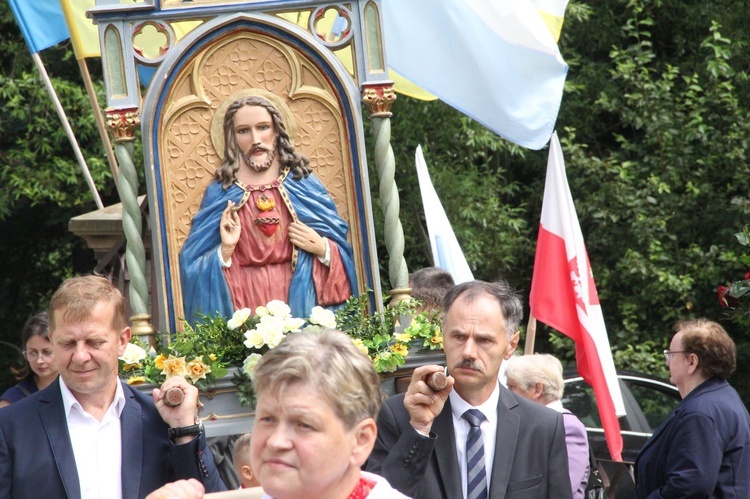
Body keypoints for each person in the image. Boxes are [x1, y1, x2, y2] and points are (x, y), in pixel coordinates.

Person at [0, 275, 227, 498]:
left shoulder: (159, 420)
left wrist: (184, 431)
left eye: (94, 342)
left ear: (122, 341)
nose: (80, 356)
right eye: (67, 343)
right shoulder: (11, 427)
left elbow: (211, 496)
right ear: (52, 339)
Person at [366, 279, 572, 499]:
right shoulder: (399, 416)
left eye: (484, 340)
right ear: (443, 336)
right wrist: (419, 430)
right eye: (458, 336)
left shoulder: (543, 426)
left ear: (510, 345)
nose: (468, 352)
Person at [180, 94, 357, 323]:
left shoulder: (303, 184)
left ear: (277, 131)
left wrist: (322, 248)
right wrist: (224, 250)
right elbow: (192, 265)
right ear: (231, 138)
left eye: (263, 127)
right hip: (243, 300)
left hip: (301, 297)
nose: (255, 139)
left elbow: (343, 249)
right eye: (243, 131)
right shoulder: (221, 193)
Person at [635, 318, 750, 498]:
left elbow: (690, 485)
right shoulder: (721, 397)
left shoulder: (701, 412)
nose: (667, 362)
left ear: (691, 362)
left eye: (671, 355)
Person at [504, 354, 589, 499]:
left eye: (512, 387)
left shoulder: (568, 427)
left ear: (537, 389)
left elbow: (563, 488)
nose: (506, 394)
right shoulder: (524, 421)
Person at [0, 312, 58, 408]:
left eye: (47, 352)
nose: (39, 360)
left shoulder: (81, 392)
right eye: (33, 353)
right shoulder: (13, 400)